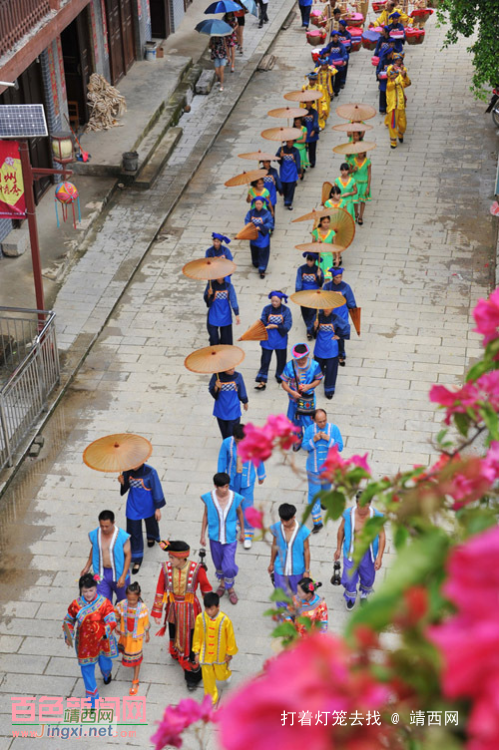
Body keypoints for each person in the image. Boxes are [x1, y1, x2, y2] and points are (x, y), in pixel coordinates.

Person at [152, 540, 212, 690]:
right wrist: (158, 610)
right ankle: (176, 652)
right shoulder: (166, 568)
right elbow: (160, 588)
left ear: (181, 559)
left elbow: (206, 589)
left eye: (172, 558)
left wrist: (211, 610)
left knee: (190, 641)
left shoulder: (197, 569)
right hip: (172, 608)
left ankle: (193, 674)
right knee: (174, 631)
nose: (169, 560)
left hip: (190, 611)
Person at [63, 573, 118, 706]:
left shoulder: (104, 603)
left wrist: (107, 628)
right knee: (86, 671)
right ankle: (93, 700)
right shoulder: (76, 605)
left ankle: (107, 674)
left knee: (105, 665)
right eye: (85, 591)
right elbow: (68, 620)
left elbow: (111, 618)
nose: (88, 594)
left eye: (91, 590)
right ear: (81, 590)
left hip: (101, 641)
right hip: (84, 644)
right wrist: (68, 634)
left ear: (96, 588)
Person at [218, 423, 266, 549]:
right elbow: (222, 459)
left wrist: (261, 475)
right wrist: (221, 477)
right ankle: (231, 530)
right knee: (232, 505)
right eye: (237, 441)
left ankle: (248, 534)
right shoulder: (227, 443)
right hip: (232, 480)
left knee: (247, 506)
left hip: (247, 481)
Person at [334, 494, 386, 610]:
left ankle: (364, 594)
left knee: (368, 577)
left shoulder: (376, 516)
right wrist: (338, 548)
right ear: (356, 503)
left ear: (369, 504)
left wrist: (379, 557)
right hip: (351, 551)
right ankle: (351, 596)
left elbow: (382, 536)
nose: (362, 509)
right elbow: (341, 530)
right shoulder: (348, 514)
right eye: (360, 506)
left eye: (365, 506)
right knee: (348, 577)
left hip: (368, 552)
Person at [200, 472, 245, 605]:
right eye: (222, 487)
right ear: (216, 486)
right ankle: (222, 583)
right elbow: (205, 516)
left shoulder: (235, 497)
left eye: (226, 486)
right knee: (218, 563)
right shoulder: (209, 498)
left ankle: (230, 588)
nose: (225, 489)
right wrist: (202, 534)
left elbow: (240, 513)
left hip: (230, 537)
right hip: (214, 537)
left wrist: (243, 531)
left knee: (229, 566)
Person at [118, 463, 166, 574]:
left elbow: (157, 489)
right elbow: (125, 489)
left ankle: (151, 536)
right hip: (133, 505)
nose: (133, 465)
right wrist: (123, 482)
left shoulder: (151, 472)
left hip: (148, 504)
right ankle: (137, 558)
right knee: (134, 531)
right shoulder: (127, 470)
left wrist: (157, 508)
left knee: (151, 523)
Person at [193, 592, 238, 706]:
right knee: (208, 677)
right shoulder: (200, 618)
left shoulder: (225, 620)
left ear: (218, 607)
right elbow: (197, 636)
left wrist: (229, 652)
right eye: (207, 609)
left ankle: (227, 674)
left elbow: (230, 637)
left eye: (212, 609)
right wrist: (197, 652)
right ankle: (210, 698)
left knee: (220, 674)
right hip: (205, 654)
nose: (209, 612)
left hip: (220, 654)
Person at [302, 409, 344, 531]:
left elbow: (339, 447)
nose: (323, 423)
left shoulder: (334, 429)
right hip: (313, 468)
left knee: (326, 488)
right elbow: (304, 446)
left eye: (324, 420)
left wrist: (328, 439)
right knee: (314, 494)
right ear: (314, 420)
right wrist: (313, 440)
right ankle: (317, 521)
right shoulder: (310, 430)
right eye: (320, 422)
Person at [80, 510, 131, 604]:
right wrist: (87, 566)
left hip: (118, 572)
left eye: (107, 526)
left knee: (124, 601)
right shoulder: (95, 534)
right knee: (103, 603)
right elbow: (94, 549)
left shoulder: (122, 536)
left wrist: (123, 576)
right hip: (101, 573)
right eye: (102, 526)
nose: (104, 529)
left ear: (113, 523)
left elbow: (128, 555)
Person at [281, 342, 323, 449]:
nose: (300, 361)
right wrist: (292, 392)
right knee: (295, 421)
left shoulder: (314, 365)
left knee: (309, 421)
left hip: (307, 400)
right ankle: (297, 440)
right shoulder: (289, 366)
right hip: (293, 400)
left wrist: (309, 386)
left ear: (307, 355)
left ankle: (310, 442)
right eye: (298, 359)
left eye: (303, 359)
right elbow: (284, 383)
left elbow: (318, 379)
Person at [269, 503, 311, 606]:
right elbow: (274, 546)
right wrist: (271, 563)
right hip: (280, 569)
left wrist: (307, 570)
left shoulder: (303, 530)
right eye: (282, 520)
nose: (283, 523)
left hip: (297, 570)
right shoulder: (276, 528)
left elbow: (307, 550)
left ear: (293, 517)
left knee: (298, 595)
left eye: (286, 520)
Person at [115, 581, 150, 695]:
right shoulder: (122, 604)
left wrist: (147, 633)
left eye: (133, 600)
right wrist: (116, 624)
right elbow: (117, 614)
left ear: (138, 596)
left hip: (136, 638)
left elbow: (145, 622)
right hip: (125, 636)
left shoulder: (143, 608)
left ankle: (135, 680)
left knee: (137, 658)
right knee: (128, 653)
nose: (131, 602)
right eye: (129, 599)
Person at [255, 291, 292, 390]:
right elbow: (262, 320)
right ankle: (262, 380)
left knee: (281, 359)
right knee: (265, 359)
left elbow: (288, 325)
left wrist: (276, 326)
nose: (274, 303)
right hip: (267, 338)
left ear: (281, 300)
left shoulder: (286, 310)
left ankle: (280, 375)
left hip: (280, 339)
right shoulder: (267, 309)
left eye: (276, 301)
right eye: (273, 301)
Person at [323, 267, 357, 366]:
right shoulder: (327, 287)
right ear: (333, 277)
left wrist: (354, 313)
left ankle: (341, 354)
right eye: (337, 277)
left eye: (340, 277)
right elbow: (323, 300)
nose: (339, 279)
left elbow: (351, 302)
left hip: (341, 315)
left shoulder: (346, 287)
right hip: (329, 313)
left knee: (340, 336)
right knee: (328, 334)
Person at [313, 307, 349, 400]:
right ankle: (315, 380)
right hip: (320, 345)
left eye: (329, 308)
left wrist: (339, 335)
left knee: (331, 370)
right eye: (325, 307)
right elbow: (313, 334)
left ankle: (329, 390)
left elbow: (345, 326)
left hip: (331, 347)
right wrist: (315, 327)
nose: (327, 309)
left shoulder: (336, 318)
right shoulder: (318, 317)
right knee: (317, 366)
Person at [208, 366, 248, 439]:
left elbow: (242, 390)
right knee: (224, 433)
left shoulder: (238, 376)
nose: (233, 370)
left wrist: (245, 402)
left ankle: (231, 447)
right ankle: (226, 447)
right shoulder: (217, 377)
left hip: (234, 409)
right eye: (230, 369)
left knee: (232, 433)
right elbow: (212, 391)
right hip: (221, 409)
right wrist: (216, 387)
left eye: (233, 368)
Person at [204, 276, 240, 346]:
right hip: (213, 314)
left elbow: (233, 300)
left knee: (226, 340)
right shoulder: (210, 285)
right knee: (214, 338)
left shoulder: (229, 286)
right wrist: (209, 294)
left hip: (225, 314)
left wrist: (237, 314)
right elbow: (208, 302)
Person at [295, 252, 323, 340]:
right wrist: (298, 292)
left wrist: (319, 276)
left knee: (312, 311)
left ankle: (310, 330)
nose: (309, 263)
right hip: (304, 293)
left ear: (314, 261)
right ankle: (310, 326)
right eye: (308, 260)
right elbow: (298, 281)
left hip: (314, 293)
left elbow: (320, 283)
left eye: (311, 261)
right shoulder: (301, 269)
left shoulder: (318, 270)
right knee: (305, 311)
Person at [245, 196, 274, 278]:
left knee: (263, 252)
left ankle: (262, 269)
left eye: (260, 204)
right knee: (254, 251)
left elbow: (270, 223)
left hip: (263, 236)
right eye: (257, 204)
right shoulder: (250, 213)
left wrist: (261, 227)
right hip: (253, 236)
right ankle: (256, 262)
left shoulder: (267, 213)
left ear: (263, 204)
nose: (258, 205)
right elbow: (247, 221)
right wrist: (250, 226)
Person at [385, 56, 411, 148]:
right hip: (393, 106)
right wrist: (399, 76)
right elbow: (392, 83)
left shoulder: (401, 76)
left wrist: (404, 76)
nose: (398, 62)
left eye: (400, 60)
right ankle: (393, 141)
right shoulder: (390, 83)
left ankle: (400, 133)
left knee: (403, 125)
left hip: (401, 106)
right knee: (393, 124)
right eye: (396, 60)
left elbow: (407, 83)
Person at [276, 140, 301, 210]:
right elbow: (277, 159)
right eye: (289, 142)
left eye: (291, 142)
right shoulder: (281, 149)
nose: (290, 143)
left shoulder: (295, 150)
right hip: (284, 171)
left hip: (292, 171)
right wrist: (280, 156)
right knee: (284, 186)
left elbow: (298, 161)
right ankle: (285, 197)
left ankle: (289, 202)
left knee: (291, 187)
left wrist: (299, 171)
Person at [351, 151, 371, 225]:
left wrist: (368, 186)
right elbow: (349, 171)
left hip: (364, 183)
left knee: (363, 200)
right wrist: (353, 170)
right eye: (359, 152)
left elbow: (369, 174)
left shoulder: (368, 162)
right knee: (355, 200)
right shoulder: (353, 161)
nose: (360, 154)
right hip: (355, 183)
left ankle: (360, 216)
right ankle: (356, 213)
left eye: (362, 153)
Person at [376, 47, 394, 115]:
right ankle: (382, 108)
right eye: (391, 53)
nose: (392, 54)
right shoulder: (383, 61)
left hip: (391, 80)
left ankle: (390, 107)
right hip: (384, 80)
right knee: (383, 94)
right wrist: (378, 75)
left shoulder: (393, 61)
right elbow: (378, 70)